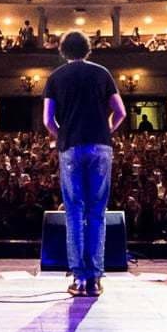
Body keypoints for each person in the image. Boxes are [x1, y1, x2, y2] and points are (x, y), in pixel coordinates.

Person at [42, 30, 127, 297]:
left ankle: (79, 279)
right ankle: (95, 280)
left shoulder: (55, 77)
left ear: (63, 50)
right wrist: (106, 130)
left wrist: (63, 135)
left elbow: (47, 120)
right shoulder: (102, 73)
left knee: (74, 212)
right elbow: (121, 112)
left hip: (71, 147)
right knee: (96, 212)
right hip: (100, 146)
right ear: (87, 49)